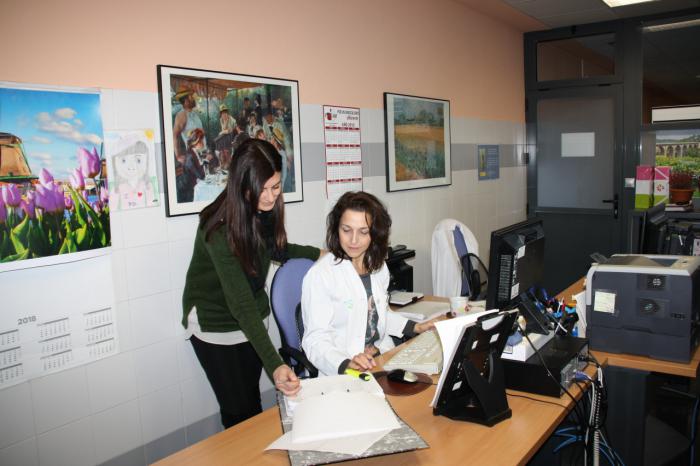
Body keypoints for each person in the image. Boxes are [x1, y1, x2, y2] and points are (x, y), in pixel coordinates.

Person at [182, 138, 321, 428]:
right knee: (238, 410)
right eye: (263, 188)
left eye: (276, 186)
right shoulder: (216, 228)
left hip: (250, 319)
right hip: (215, 323)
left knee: (251, 405)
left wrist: (320, 254)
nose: (270, 197)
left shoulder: (260, 210)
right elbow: (240, 304)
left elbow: (275, 249)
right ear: (241, 183)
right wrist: (276, 365)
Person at [301, 191, 439, 376]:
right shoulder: (321, 275)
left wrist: (414, 327)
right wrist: (345, 363)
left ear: (375, 234)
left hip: (380, 358)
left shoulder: (378, 266)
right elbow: (315, 340)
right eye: (346, 230)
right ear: (336, 229)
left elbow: (377, 314)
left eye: (363, 232)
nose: (354, 240)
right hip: (344, 370)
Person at [172, 86, 205, 164]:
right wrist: (178, 156)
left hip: (203, 154)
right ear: (186, 101)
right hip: (193, 157)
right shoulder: (181, 115)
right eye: (191, 97)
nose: (194, 99)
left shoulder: (194, 114)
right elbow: (175, 136)